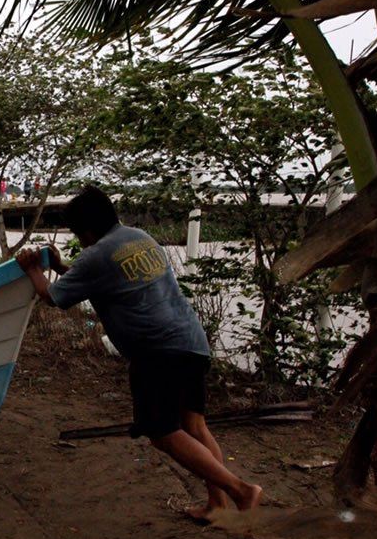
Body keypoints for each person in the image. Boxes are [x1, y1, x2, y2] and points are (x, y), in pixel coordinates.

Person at [15, 186, 262, 520]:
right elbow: (99, 277)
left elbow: (53, 298)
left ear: (86, 230)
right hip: (191, 342)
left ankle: (240, 490)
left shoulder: (96, 254)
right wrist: (60, 267)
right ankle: (216, 505)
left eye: (79, 234)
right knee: (194, 426)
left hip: (157, 352)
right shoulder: (138, 237)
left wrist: (31, 269)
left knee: (162, 432)